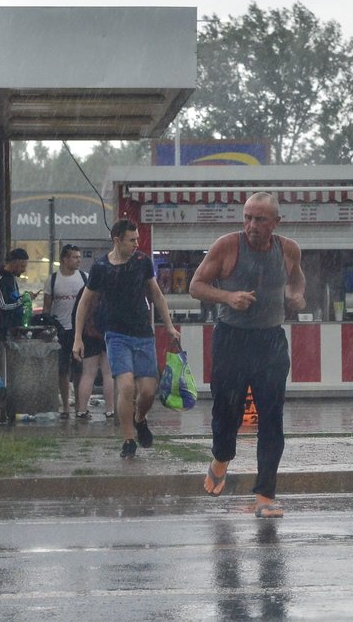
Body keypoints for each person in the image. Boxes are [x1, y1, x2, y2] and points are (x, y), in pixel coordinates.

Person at [189, 192, 306, 518]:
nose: (252, 225)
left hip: (270, 341)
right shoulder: (227, 246)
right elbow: (196, 285)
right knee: (227, 414)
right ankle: (221, 457)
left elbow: (297, 279)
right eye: (248, 218)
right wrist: (227, 296)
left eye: (260, 219)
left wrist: (296, 296)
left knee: (272, 419)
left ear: (276, 223)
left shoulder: (289, 249)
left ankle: (265, 494)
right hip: (231, 340)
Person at [72, 219, 179, 459]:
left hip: (143, 333)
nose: (137, 244)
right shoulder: (101, 267)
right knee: (127, 386)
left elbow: (157, 295)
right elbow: (85, 302)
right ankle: (128, 439)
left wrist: (169, 326)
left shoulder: (142, 262)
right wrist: (77, 338)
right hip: (116, 335)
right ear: (117, 240)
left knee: (149, 392)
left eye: (137, 239)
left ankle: (140, 418)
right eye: (132, 240)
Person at [42, 244, 88, 419]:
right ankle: (65, 407)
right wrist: (48, 328)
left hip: (80, 330)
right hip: (60, 331)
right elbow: (47, 307)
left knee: (79, 370)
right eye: (75, 257)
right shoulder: (53, 280)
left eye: (79, 257)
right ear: (65, 259)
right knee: (62, 370)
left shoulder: (85, 278)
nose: (79, 260)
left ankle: (80, 405)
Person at [0, 248, 38, 424]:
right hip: (2, 333)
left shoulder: (11, 280)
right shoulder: (1, 280)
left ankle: (9, 409)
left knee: (10, 373)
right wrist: (23, 299)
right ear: (12, 263)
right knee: (3, 373)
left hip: (12, 332)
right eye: (21, 265)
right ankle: (3, 410)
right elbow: (4, 305)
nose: (23, 269)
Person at [71, 285, 116, 421]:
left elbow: (76, 313)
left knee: (88, 374)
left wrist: (78, 335)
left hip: (88, 335)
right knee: (108, 374)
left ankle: (82, 410)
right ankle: (110, 410)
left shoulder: (86, 289)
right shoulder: (112, 288)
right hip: (109, 333)